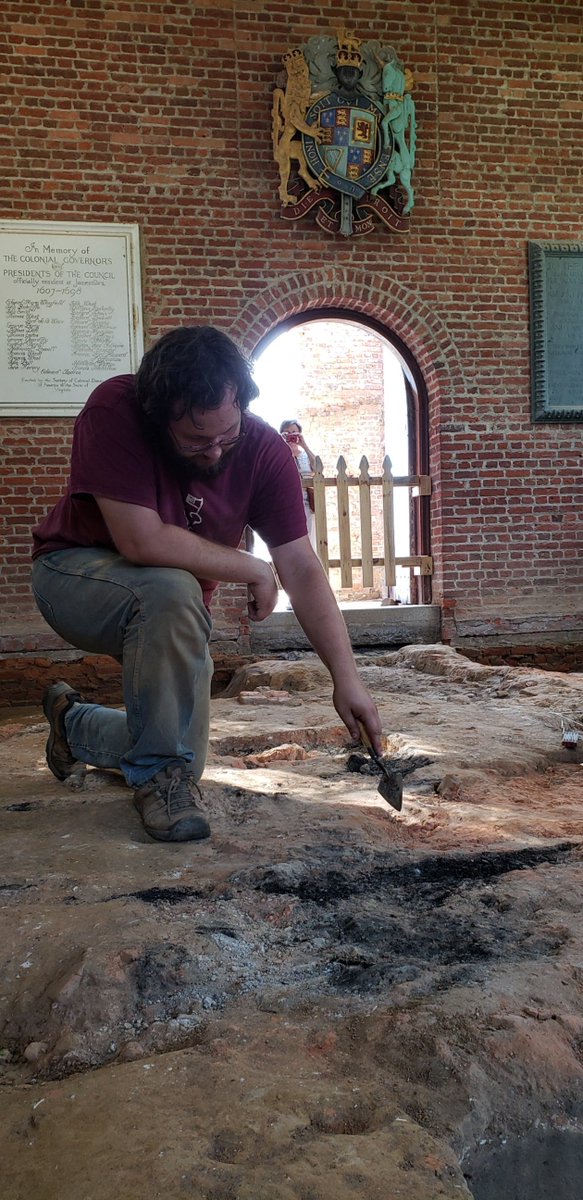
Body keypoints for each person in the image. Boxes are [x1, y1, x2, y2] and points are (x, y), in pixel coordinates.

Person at [31, 326, 382, 844]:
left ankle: (73, 725)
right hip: (74, 575)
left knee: (183, 755)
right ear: (158, 413)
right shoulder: (115, 408)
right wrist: (255, 568)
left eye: (228, 434)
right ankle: (155, 777)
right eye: (196, 440)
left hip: (172, 610)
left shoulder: (264, 452)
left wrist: (347, 677)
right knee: (172, 590)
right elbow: (140, 540)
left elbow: (302, 565)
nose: (216, 453)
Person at [279, 418, 318, 551]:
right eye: (287, 432)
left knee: (309, 542)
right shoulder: (279, 454)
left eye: (294, 432)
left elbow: (318, 467)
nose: (291, 435)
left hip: (306, 505)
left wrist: (304, 445)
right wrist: (280, 443)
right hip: (287, 504)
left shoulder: (304, 455)